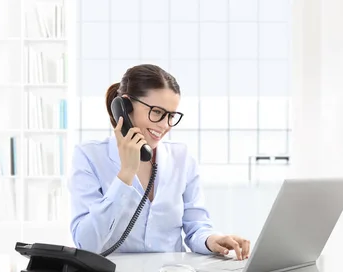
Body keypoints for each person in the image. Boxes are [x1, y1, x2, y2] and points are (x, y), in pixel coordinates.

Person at [68, 64, 250, 259]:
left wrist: (211, 240)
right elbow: (86, 244)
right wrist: (126, 174)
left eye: (171, 116)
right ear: (124, 107)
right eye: (157, 112)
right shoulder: (89, 156)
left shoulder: (182, 158)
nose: (165, 125)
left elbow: (196, 225)